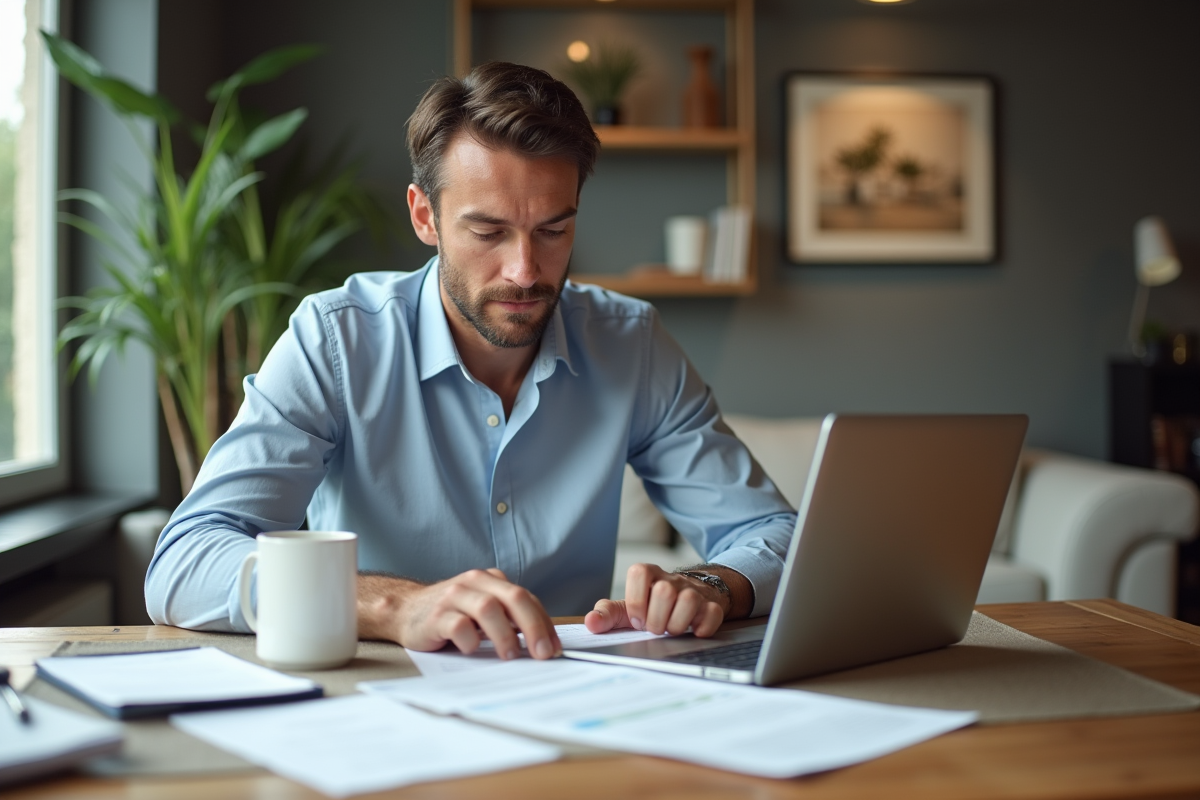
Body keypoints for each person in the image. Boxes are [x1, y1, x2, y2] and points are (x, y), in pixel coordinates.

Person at [145, 62, 796, 663]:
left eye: (553, 229)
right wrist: (395, 605)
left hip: (576, 699)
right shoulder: (335, 341)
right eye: (488, 232)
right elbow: (184, 563)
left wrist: (714, 583)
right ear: (425, 216)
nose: (525, 270)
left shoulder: (631, 343)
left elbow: (775, 533)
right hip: (380, 698)